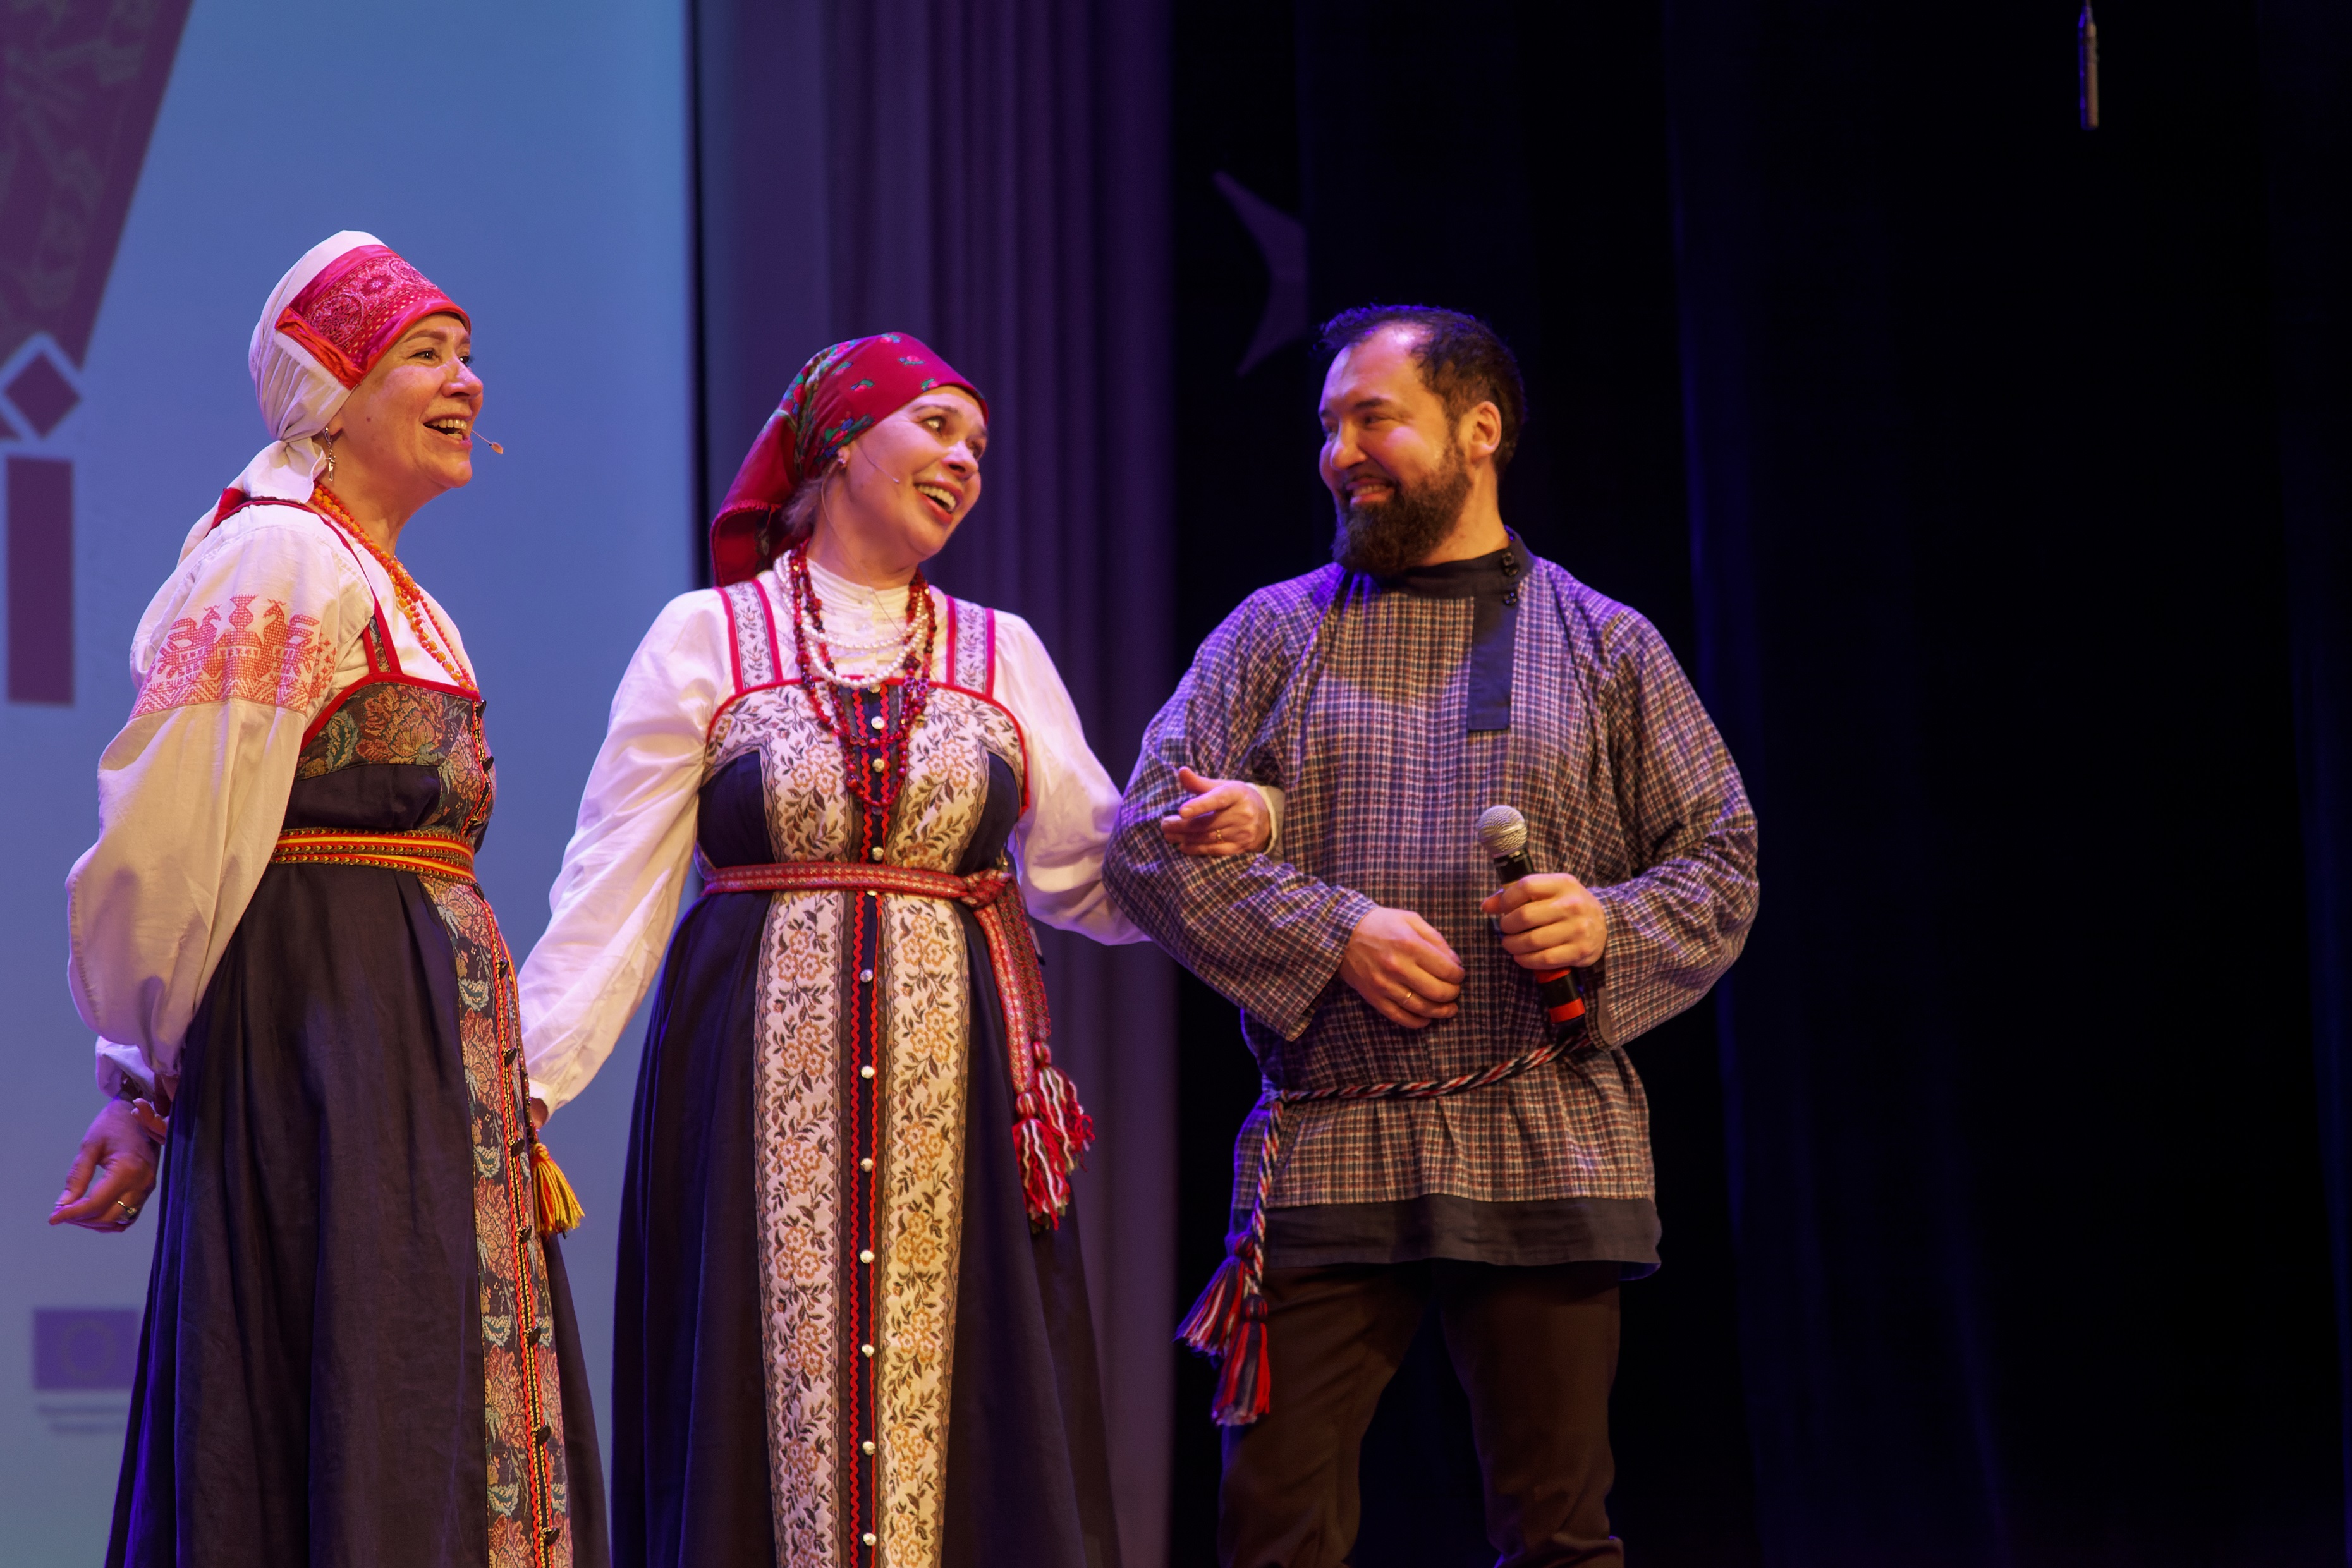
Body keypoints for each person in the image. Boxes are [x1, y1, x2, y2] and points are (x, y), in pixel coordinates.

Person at [516, 332, 1270, 1568]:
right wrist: (521, 1087)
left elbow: (1089, 872)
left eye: (979, 445)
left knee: (963, 1402)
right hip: (745, 1095)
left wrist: (1216, 834)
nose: (965, 459)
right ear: (838, 445)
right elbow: (612, 889)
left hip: (956, 1100)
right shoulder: (706, 636)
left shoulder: (1000, 650)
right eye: (935, 426)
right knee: (754, 1397)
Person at [1104, 306, 1761, 1568]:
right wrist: (1335, 932)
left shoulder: (1603, 640)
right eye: (1327, 426)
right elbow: (1143, 838)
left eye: (1373, 418)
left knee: (1558, 1532)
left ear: (1478, 430)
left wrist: (1604, 920)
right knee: (1273, 1529)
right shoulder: (1274, 633)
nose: (1338, 452)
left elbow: (1721, 859)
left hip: (1546, 1125)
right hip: (1333, 1136)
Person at [52, 232, 607, 1567]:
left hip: (417, 1063)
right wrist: (139, 1074)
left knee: (422, 1386)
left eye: (467, 354)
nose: (466, 381)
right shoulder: (276, 561)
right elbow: (169, 835)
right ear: (333, 394)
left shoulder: (398, 591)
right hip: (328, 1054)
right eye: (426, 354)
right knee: (358, 1383)